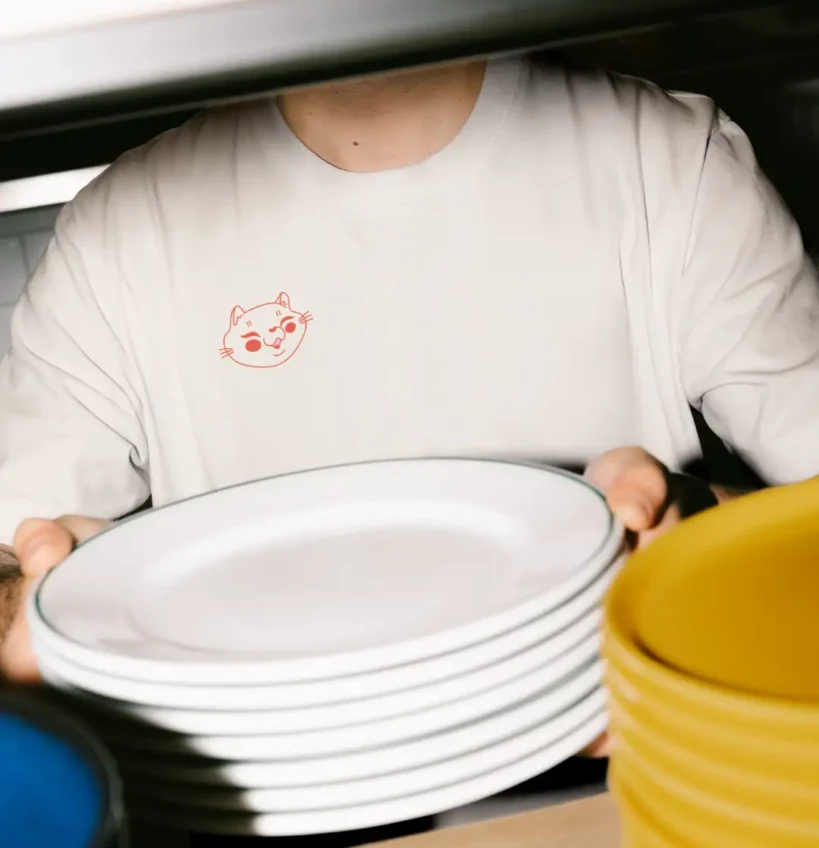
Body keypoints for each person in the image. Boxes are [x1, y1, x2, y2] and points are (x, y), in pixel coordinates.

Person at [1, 53, 818, 708]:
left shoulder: (667, 156)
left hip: (626, 773)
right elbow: (11, 565)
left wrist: (703, 536)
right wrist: (64, 604)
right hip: (276, 815)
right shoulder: (120, 231)